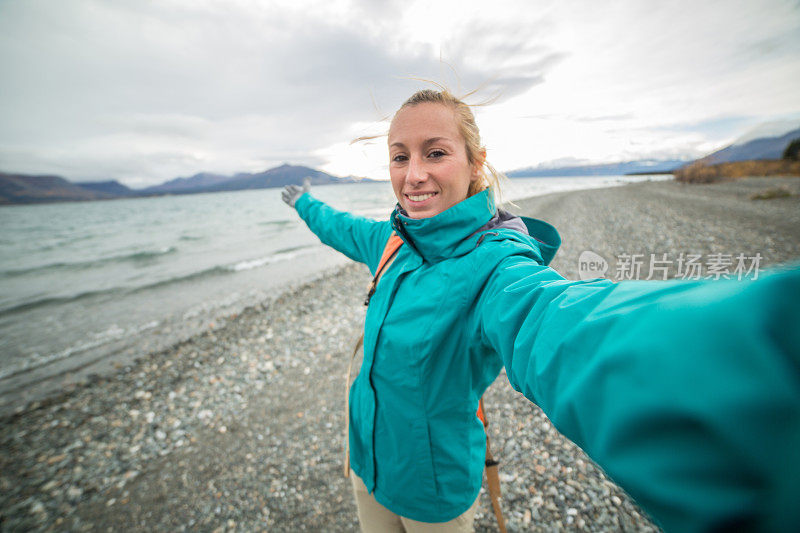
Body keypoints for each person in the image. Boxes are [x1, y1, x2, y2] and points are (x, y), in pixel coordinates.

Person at [282, 88, 800, 533]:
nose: (413, 174)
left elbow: (553, 321)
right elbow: (340, 226)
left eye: (434, 153)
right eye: (400, 157)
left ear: (475, 162)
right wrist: (304, 202)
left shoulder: (496, 263)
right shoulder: (392, 241)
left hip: (432, 490)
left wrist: (764, 353)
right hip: (367, 463)